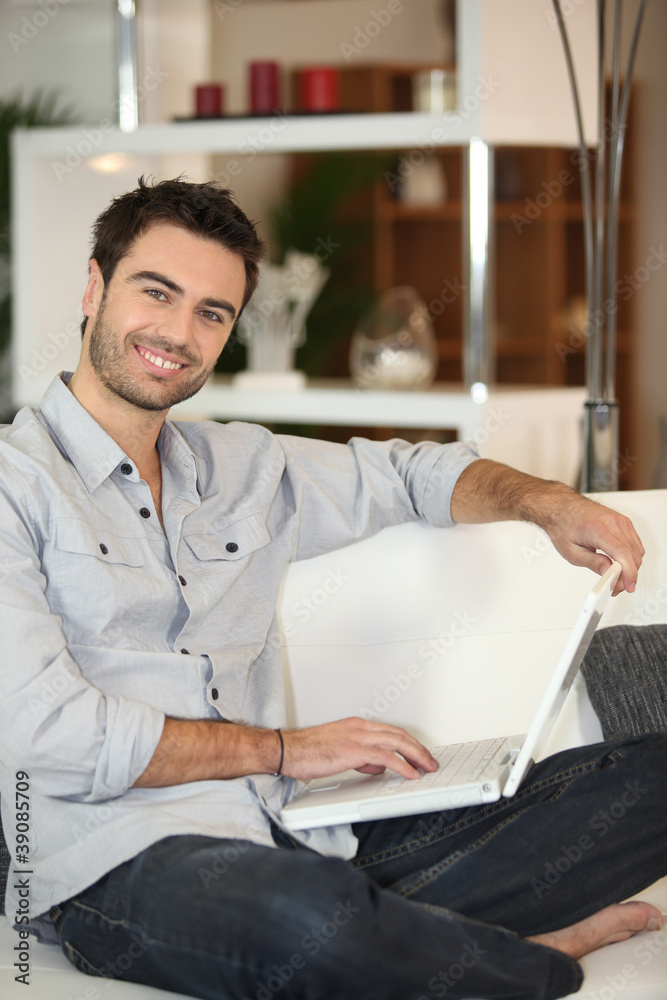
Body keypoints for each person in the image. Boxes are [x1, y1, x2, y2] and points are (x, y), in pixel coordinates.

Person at [0, 177, 664, 1000]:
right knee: (298, 918)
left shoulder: (242, 466)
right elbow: (45, 735)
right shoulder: (13, 486)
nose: (178, 332)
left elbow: (410, 472)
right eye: (156, 292)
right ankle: (528, 962)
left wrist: (546, 502)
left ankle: (412, 943)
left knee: (649, 776)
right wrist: (287, 750)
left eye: (212, 312)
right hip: (120, 869)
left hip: (301, 838)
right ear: (96, 286)